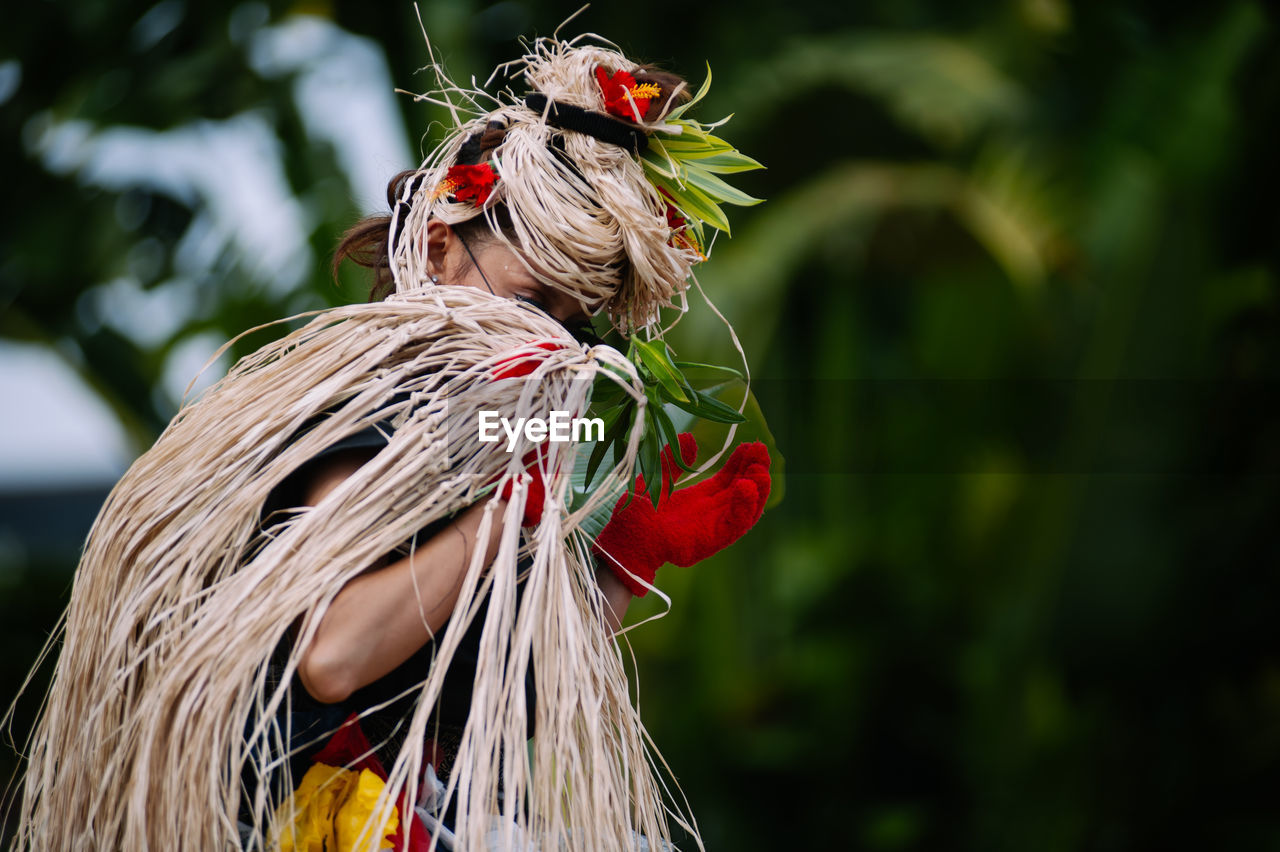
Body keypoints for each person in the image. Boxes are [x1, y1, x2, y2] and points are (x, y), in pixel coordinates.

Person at [12, 32, 770, 852]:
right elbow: (333, 658)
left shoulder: (492, 430)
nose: (550, 341)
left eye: (571, 323)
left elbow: (505, 709)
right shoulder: (375, 402)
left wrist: (619, 562)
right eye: (528, 300)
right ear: (441, 249)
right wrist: (504, 517)